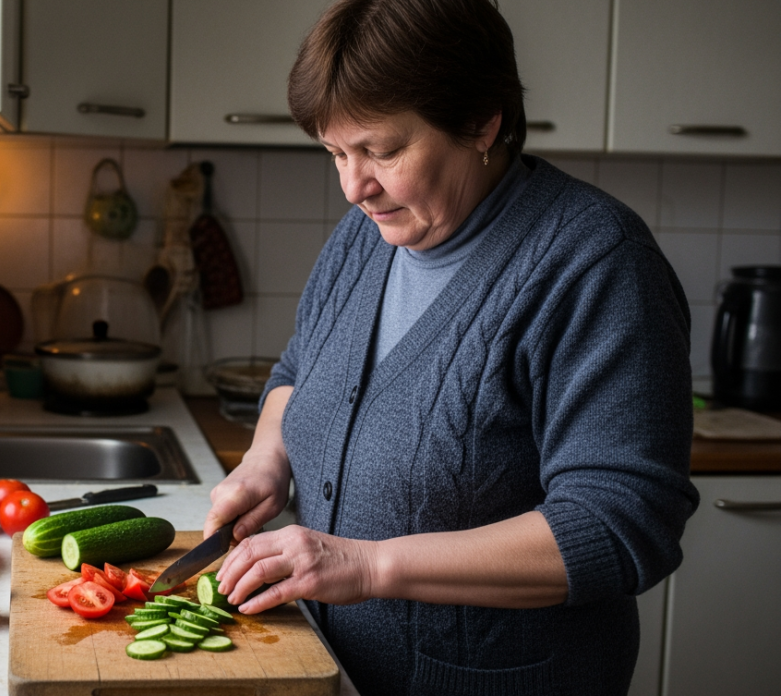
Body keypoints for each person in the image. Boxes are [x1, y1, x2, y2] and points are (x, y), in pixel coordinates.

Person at [203, 1, 699, 694]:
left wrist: (369, 566)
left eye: (381, 151)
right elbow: (298, 371)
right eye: (336, 153)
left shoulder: (595, 263)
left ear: (481, 122)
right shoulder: (366, 235)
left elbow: (619, 525)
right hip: (336, 671)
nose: (354, 186)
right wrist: (266, 463)